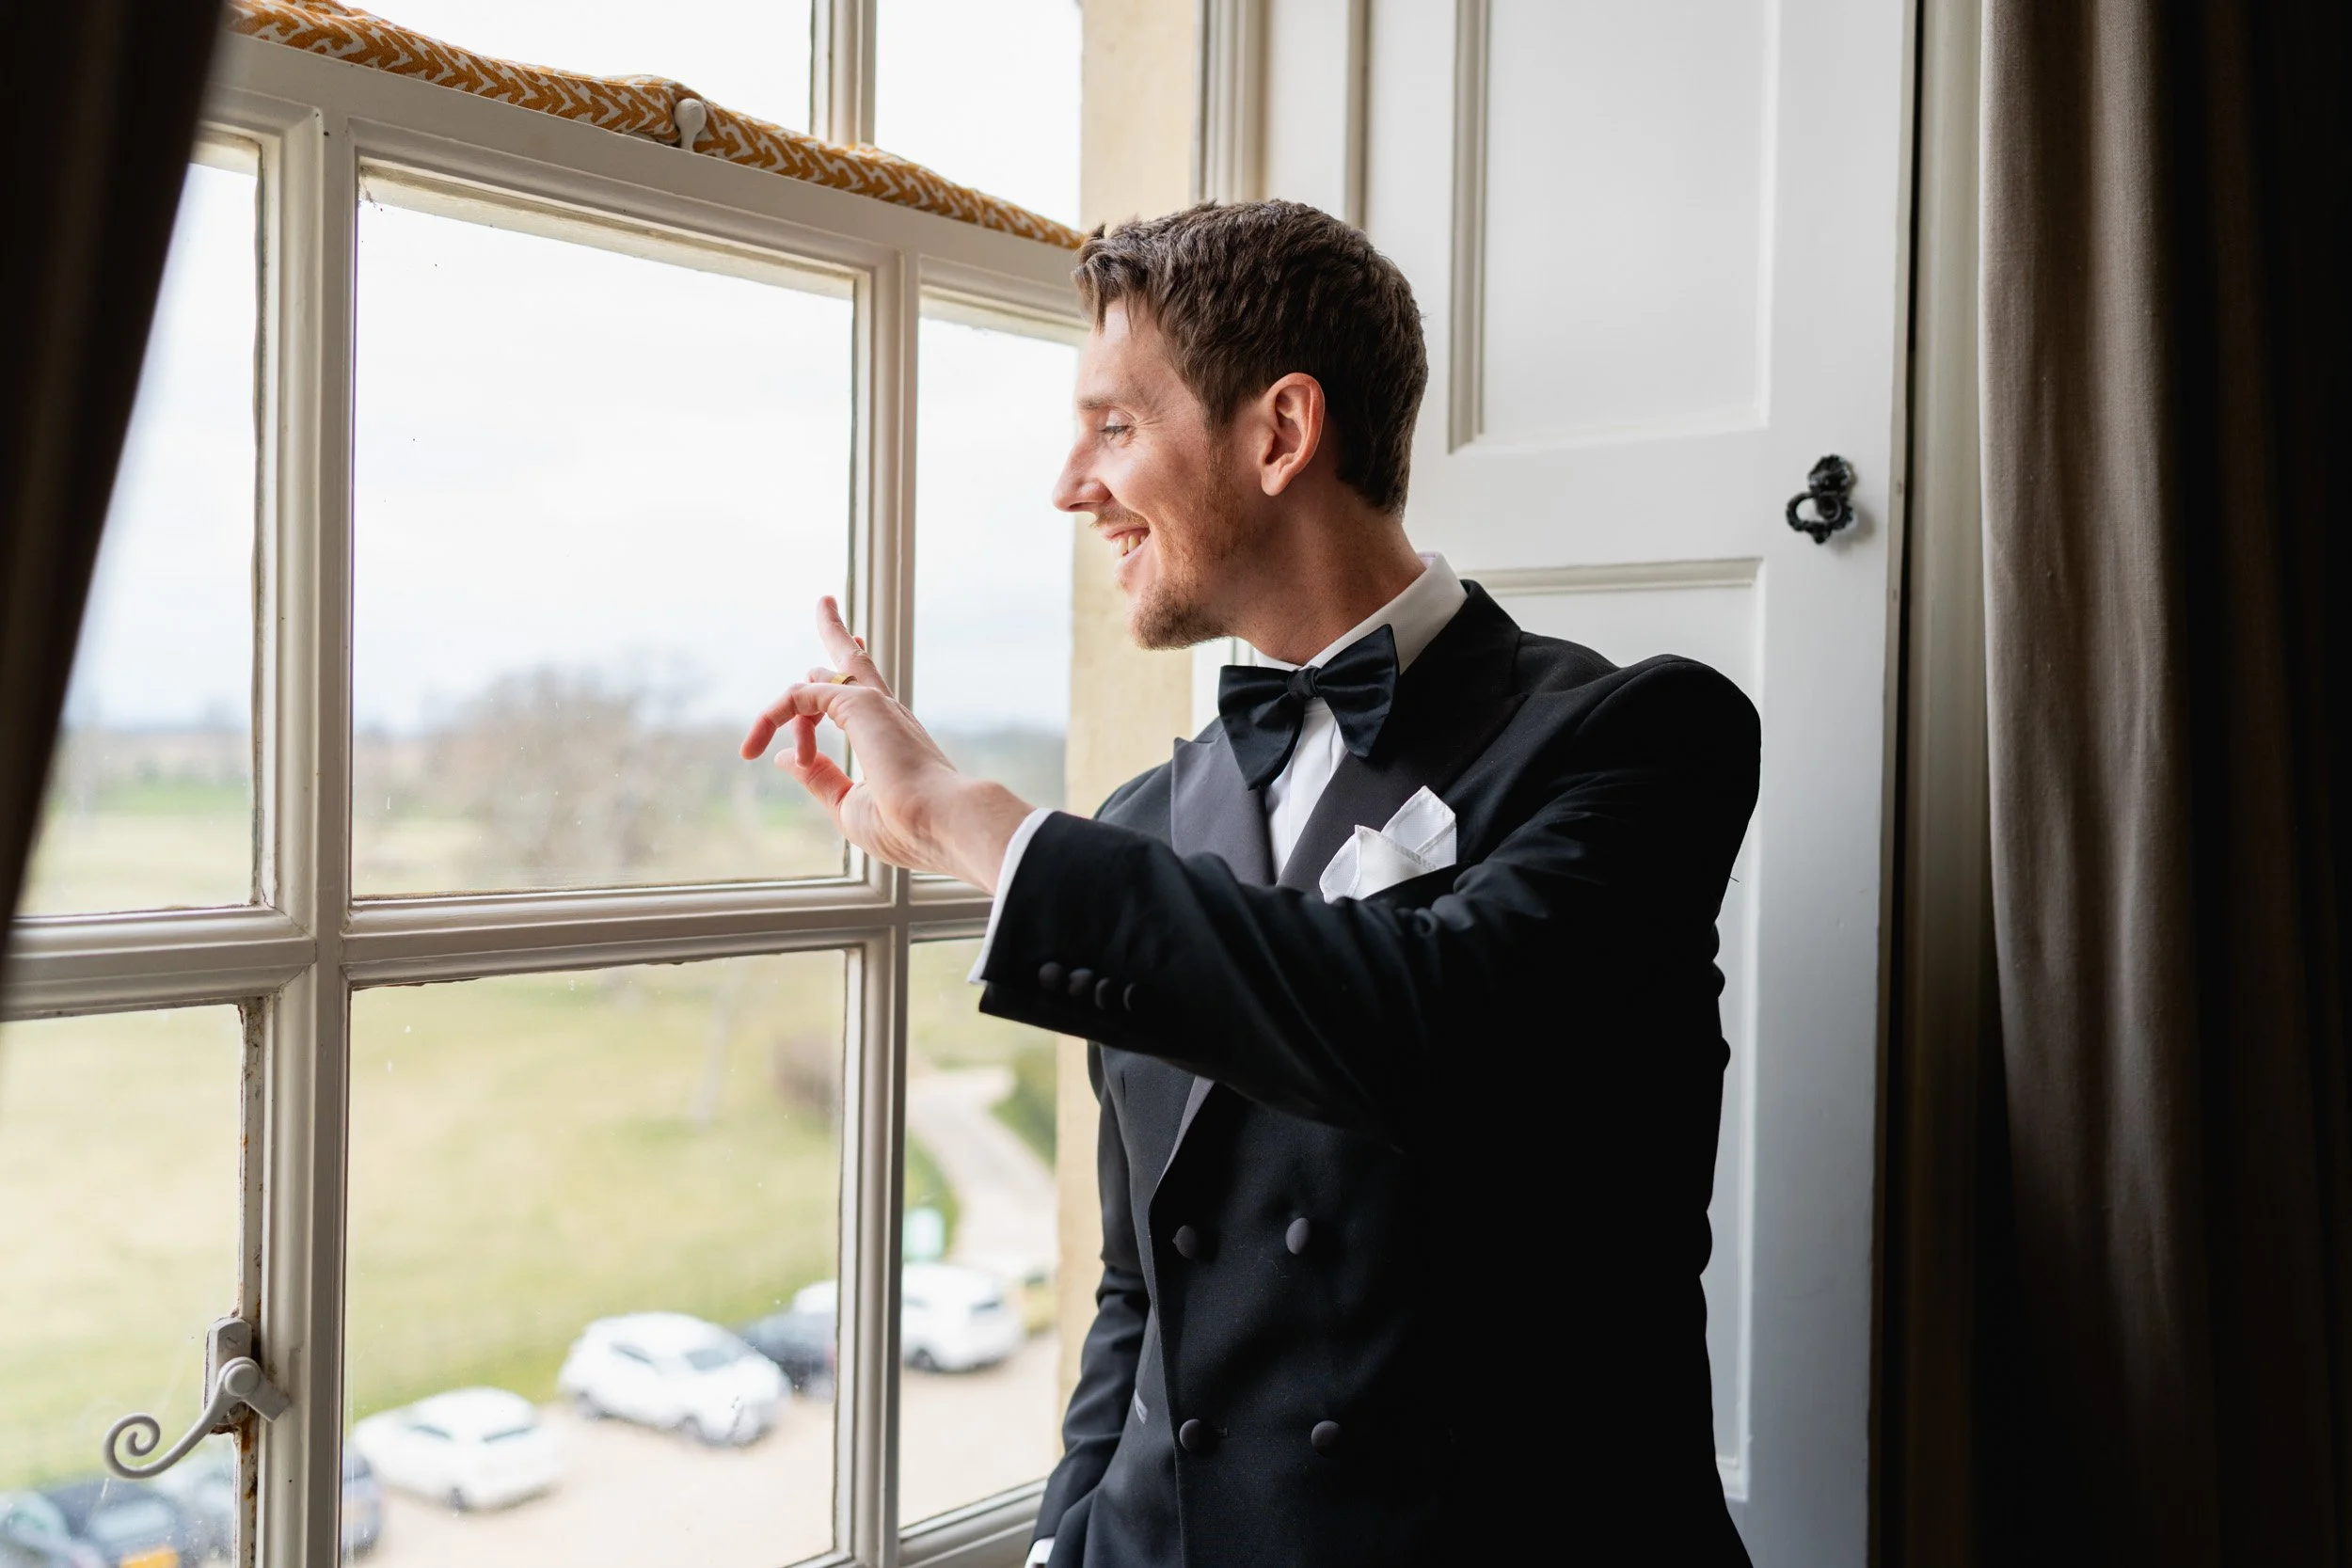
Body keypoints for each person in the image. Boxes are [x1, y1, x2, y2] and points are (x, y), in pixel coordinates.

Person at [742, 199, 1758, 1567]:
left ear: (1280, 432)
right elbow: (1139, 1280)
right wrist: (1071, 1536)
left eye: (1113, 426)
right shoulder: (1143, 824)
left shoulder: (1643, 738)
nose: (1070, 485)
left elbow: (1433, 1024)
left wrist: (978, 828)